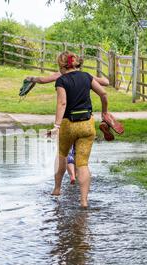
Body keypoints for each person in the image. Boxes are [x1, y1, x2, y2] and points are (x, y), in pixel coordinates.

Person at [49, 51, 109, 208]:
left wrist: (56, 126)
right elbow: (103, 93)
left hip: (68, 124)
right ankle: (83, 201)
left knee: (62, 155)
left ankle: (57, 189)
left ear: (62, 65)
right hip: (87, 125)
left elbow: (62, 103)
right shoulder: (87, 76)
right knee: (82, 163)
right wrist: (104, 112)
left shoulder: (62, 80)